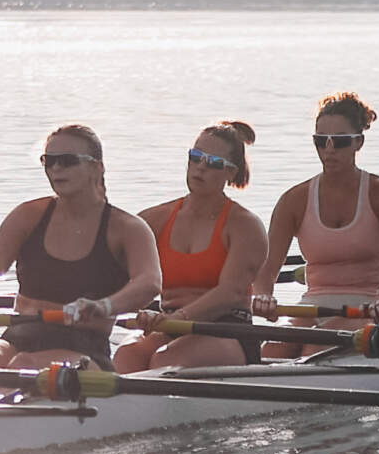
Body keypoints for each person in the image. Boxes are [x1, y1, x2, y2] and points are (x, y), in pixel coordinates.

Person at [0, 123, 162, 371]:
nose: (57, 168)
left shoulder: (127, 228)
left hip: (84, 346)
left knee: (24, 364)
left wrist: (104, 306)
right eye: (49, 161)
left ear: (97, 167)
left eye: (68, 160)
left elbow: (149, 283)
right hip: (18, 335)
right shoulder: (27, 216)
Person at [259, 92, 379, 352]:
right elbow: (267, 264)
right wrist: (263, 295)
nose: (329, 150)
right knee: (272, 350)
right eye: (321, 141)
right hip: (312, 306)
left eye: (339, 142)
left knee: (314, 348)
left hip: (372, 307)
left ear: (358, 143)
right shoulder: (294, 200)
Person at [114, 121, 272, 372]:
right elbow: (120, 277)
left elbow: (230, 293)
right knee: (126, 356)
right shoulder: (153, 220)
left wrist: (176, 319)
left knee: (166, 360)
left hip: (226, 329)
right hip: (168, 324)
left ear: (231, 172)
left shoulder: (245, 225)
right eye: (196, 157)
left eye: (213, 163)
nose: (201, 167)